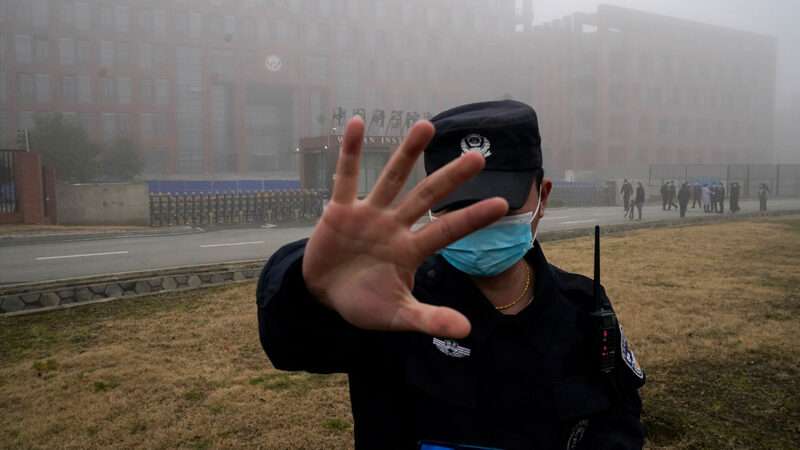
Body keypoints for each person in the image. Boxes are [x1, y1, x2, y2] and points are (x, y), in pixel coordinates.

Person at [256, 101, 645, 449]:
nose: (477, 221)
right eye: (459, 204)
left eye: (500, 203)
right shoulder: (393, 305)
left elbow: (620, 418)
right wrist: (312, 287)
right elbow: (290, 343)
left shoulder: (582, 306)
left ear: (542, 196)